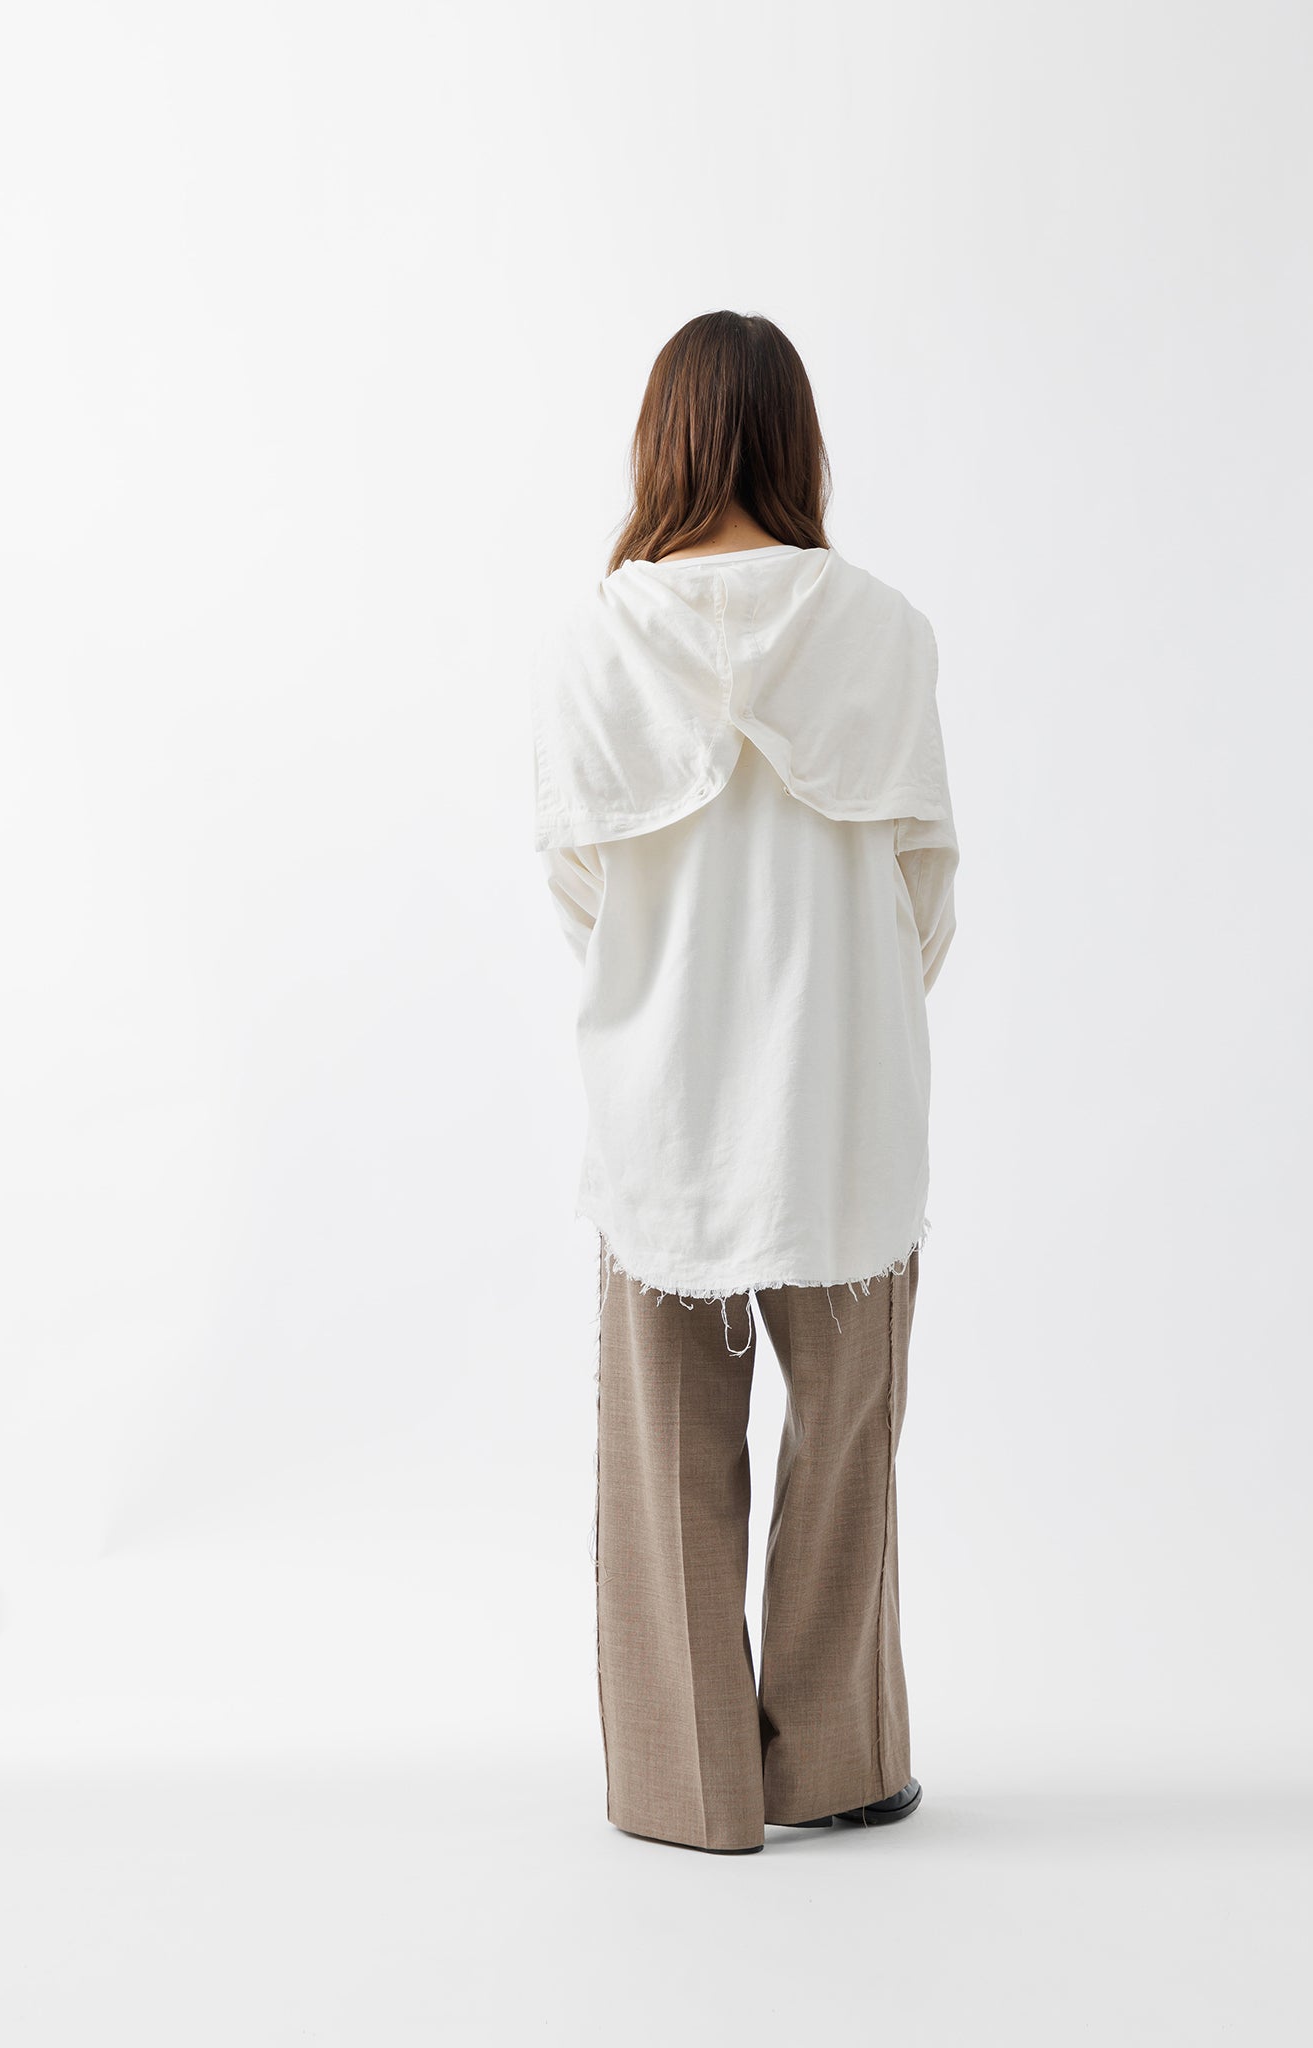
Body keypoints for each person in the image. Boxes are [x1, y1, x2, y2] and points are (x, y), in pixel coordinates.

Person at [531, 310, 958, 1854]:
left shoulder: (597, 639)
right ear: (797, 440)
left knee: (661, 1462)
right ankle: (836, 1765)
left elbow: (578, 891)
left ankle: (685, 1783)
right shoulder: (884, 630)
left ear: (662, 441)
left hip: (663, 1111)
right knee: (846, 1451)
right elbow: (924, 888)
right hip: (844, 1105)